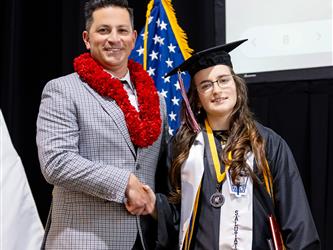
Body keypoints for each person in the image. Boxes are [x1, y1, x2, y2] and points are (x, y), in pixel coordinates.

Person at [144, 40, 321, 249]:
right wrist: (154, 205)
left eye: (223, 80)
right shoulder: (182, 146)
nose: (216, 90)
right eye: (206, 85)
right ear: (198, 99)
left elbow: (296, 218)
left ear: (236, 85)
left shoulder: (266, 143)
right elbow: (176, 217)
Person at [36, 0, 168, 249]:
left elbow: (161, 166)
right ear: (87, 38)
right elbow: (56, 163)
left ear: (134, 37)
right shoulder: (62, 90)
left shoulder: (156, 100)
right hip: (84, 239)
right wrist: (124, 183)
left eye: (122, 30)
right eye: (104, 30)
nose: (114, 38)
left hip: (144, 239)